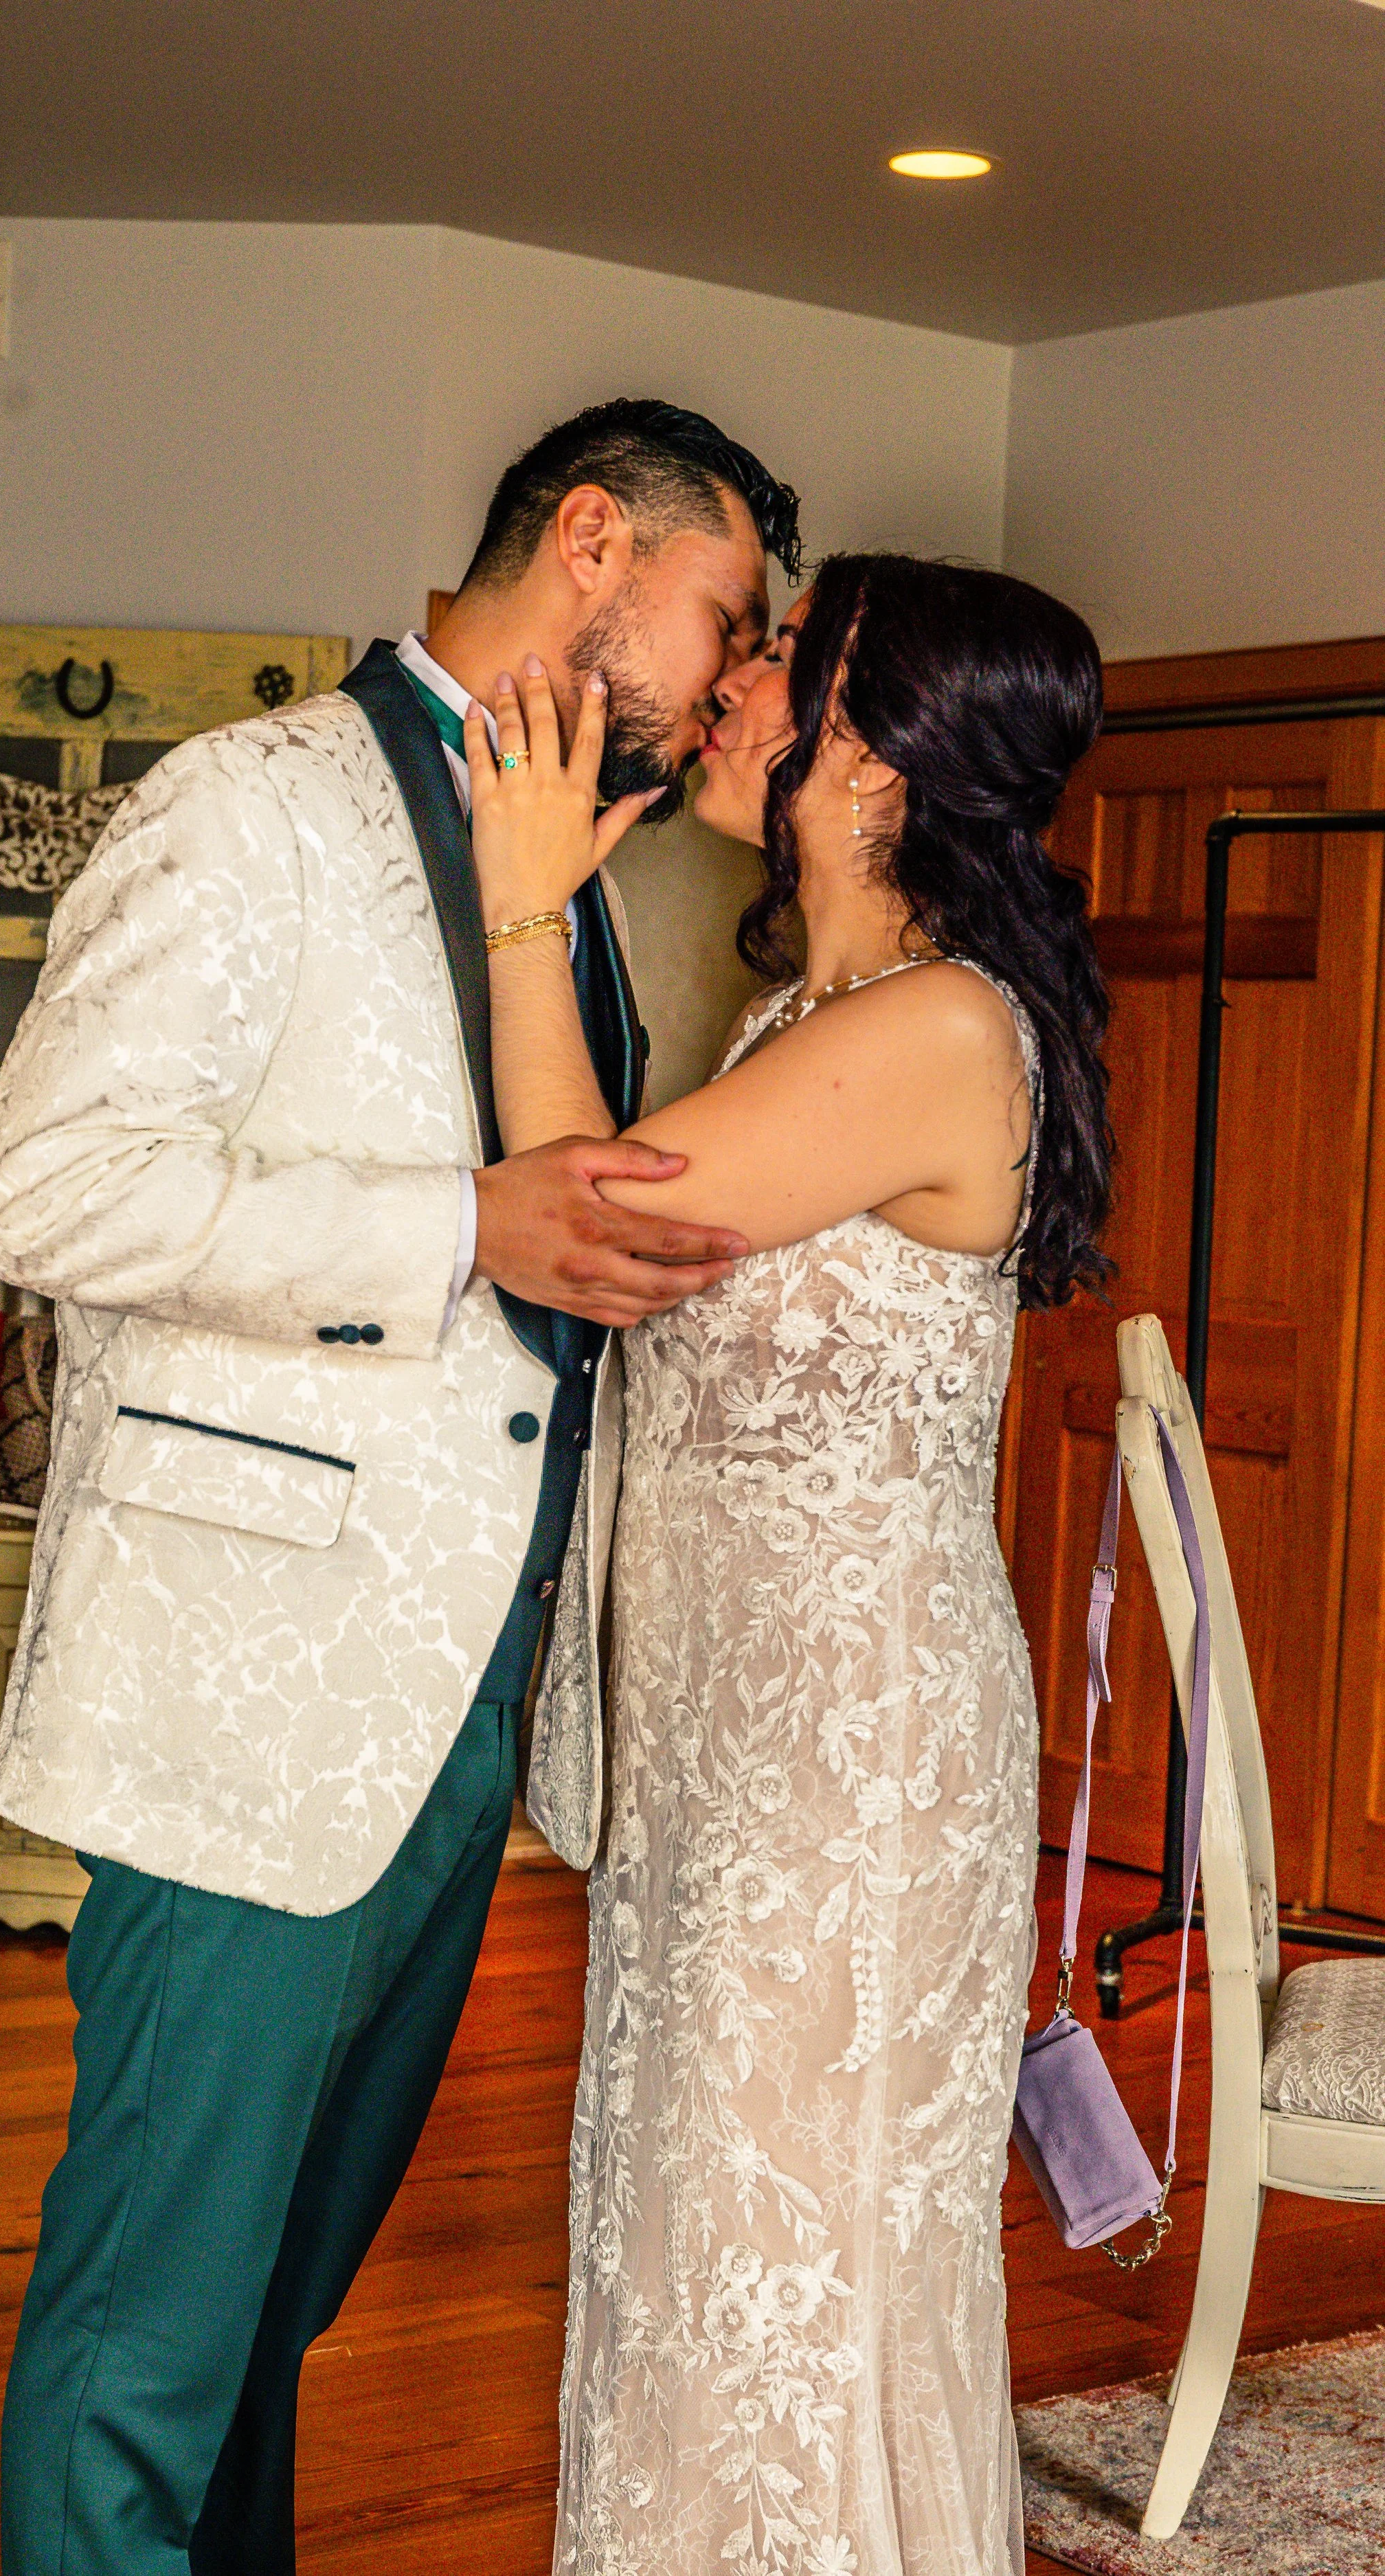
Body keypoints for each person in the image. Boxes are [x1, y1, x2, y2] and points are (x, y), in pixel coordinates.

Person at [0, 397, 802, 2576]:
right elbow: (57, 1188)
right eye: (725, 618)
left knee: (275, 2315)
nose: (728, 682)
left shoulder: (578, 882)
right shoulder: (245, 806)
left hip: (451, 1707)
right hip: (253, 1691)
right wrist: (460, 1223)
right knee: (153, 2330)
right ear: (597, 544)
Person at [466, 552, 1112, 2576]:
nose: (733, 693)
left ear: (877, 754)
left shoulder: (932, 1028)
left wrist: (521, 886)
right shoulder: (793, 1010)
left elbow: (599, 1217)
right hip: (734, 1742)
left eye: (784, 669)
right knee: (696, 2234)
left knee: (783, 2251)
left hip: (841, 1761)